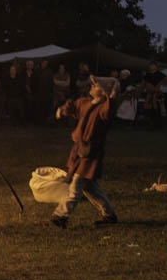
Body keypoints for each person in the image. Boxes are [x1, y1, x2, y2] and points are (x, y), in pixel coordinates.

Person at [50, 76, 119, 228]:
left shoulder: (104, 108)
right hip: (79, 151)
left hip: (91, 153)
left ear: (103, 92)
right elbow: (73, 106)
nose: (92, 86)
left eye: (96, 86)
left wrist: (112, 94)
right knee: (90, 187)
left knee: (76, 185)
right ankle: (109, 215)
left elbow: (110, 110)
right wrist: (62, 111)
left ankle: (60, 215)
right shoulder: (85, 102)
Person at [141, 61, 167, 129]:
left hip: (158, 96)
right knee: (149, 111)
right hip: (149, 96)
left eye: (153, 65)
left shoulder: (160, 74)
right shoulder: (147, 75)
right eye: (151, 65)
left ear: (156, 67)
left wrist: (159, 86)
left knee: (160, 111)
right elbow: (142, 85)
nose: (152, 67)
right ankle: (151, 126)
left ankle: (160, 126)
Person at [1, 60, 25, 125]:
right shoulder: (7, 78)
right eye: (11, 69)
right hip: (10, 97)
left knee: (20, 110)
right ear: (10, 70)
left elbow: (22, 86)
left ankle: (22, 123)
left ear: (15, 70)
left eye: (14, 69)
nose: (12, 71)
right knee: (12, 111)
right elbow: (4, 87)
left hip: (18, 97)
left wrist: (21, 94)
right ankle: (13, 123)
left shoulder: (19, 77)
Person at [32, 58, 54, 123]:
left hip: (46, 93)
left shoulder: (49, 71)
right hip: (38, 93)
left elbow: (51, 82)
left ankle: (45, 121)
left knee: (45, 107)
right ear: (41, 63)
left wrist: (50, 91)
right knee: (39, 107)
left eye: (46, 63)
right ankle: (39, 121)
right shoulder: (37, 71)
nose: (45, 64)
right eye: (44, 63)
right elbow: (34, 82)